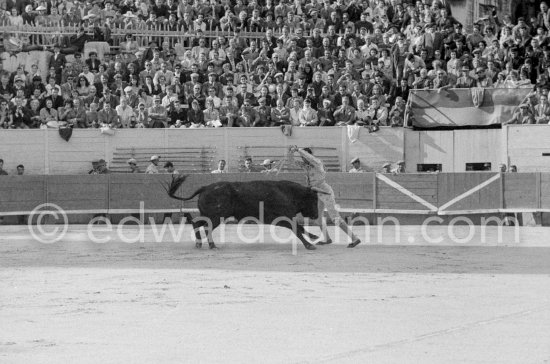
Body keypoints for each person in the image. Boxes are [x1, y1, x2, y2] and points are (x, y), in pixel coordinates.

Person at [288, 146, 361, 248]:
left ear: (309, 155)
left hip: (325, 191)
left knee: (335, 217)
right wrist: (291, 152)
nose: (303, 158)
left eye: (304, 156)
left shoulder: (317, 163)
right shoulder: (306, 166)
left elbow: (311, 158)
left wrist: (299, 150)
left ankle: (354, 238)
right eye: (302, 157)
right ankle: (327, 238)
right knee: (318, 218)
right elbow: (291, 162)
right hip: (315, 193)